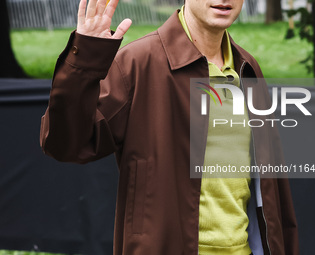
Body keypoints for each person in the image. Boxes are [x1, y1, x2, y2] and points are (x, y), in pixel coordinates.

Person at [40, 0, 299, 254]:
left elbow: (273, 191)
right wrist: (84, 59)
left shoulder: (248, 68)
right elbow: (67, 145)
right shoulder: (136, 62)